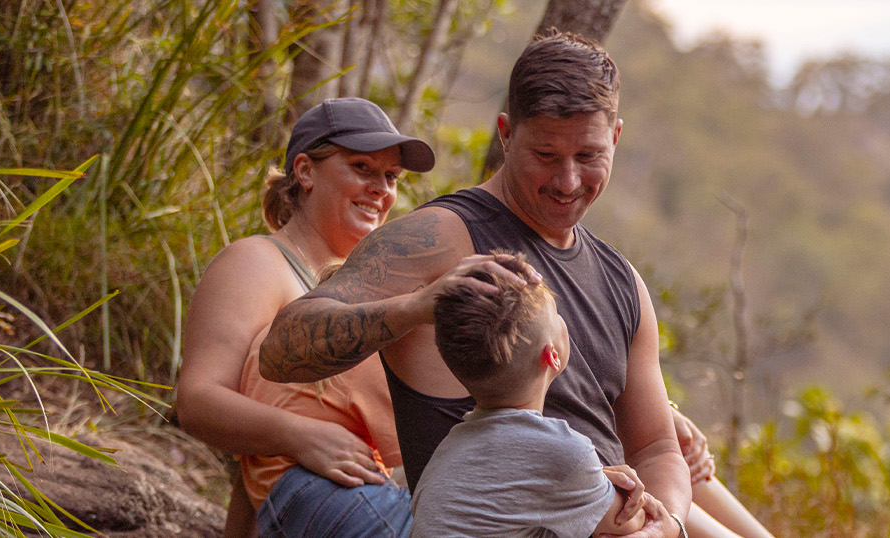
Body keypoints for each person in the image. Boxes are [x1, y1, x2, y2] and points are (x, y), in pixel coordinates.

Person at [259, 31, 687, 538]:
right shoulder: (440, 237)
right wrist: (416, 308)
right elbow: (280, 352)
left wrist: (665, 528)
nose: (568, 181)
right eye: (546, 156)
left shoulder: (622, 282)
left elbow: (658, 447)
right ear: (506, 134)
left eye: (588, 156)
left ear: (615, 138)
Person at [175, 97, 435, 538]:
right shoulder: (258, 262)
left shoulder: (370, 286)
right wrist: (303, 436)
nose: (382, 190)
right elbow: (197, 401)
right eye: (362, 168)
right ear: (305, 170)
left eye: (390, 177)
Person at [410, 253, 665, 538]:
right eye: (557, 315)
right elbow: (629, 522)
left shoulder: (449, 450)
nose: (562, 319)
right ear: (553, 355)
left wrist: (591, 481)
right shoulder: (564, 454)